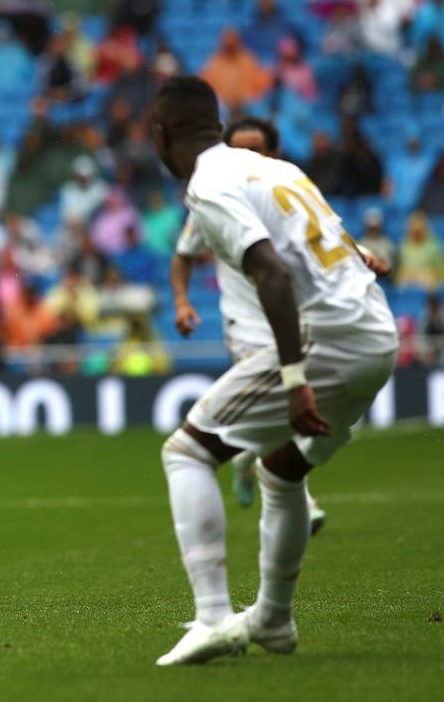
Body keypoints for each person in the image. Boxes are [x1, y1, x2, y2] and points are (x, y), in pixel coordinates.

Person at [150, 77, 398, 665]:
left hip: (325, 340)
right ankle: (273, 622)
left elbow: (274, 276)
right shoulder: (278, 170)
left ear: (163, 137)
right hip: (375, 336)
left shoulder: (208, 185)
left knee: (186, 452)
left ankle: (213, 617)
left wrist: (293, 379)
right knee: (282, 474)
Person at [169, 116, 390, 533]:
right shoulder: (214, 201)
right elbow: (182, 255)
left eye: (259, 149)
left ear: (274, 152)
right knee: (291, 403)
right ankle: (301, 500)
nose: (250, 157)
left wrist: (361, 253)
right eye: (241, 149)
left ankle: (246, 459)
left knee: (295, 410)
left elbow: (321, 235)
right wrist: (181, 301)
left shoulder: (282, 192)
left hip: (296, 321)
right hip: (248, 325)